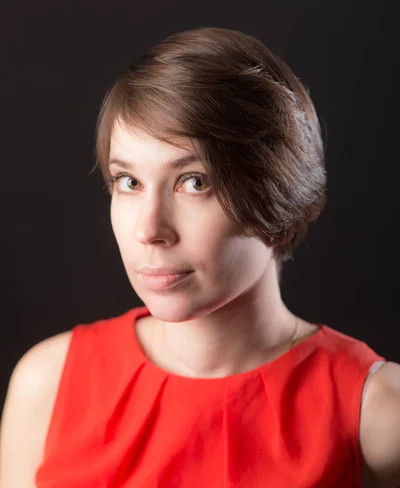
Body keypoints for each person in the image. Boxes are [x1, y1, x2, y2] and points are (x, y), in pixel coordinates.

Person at [0, 27, 399, 487]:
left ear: (277, 190)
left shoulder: (378, 414)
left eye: (195, 181)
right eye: (128, 181)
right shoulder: (48, 383)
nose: (149, 229)